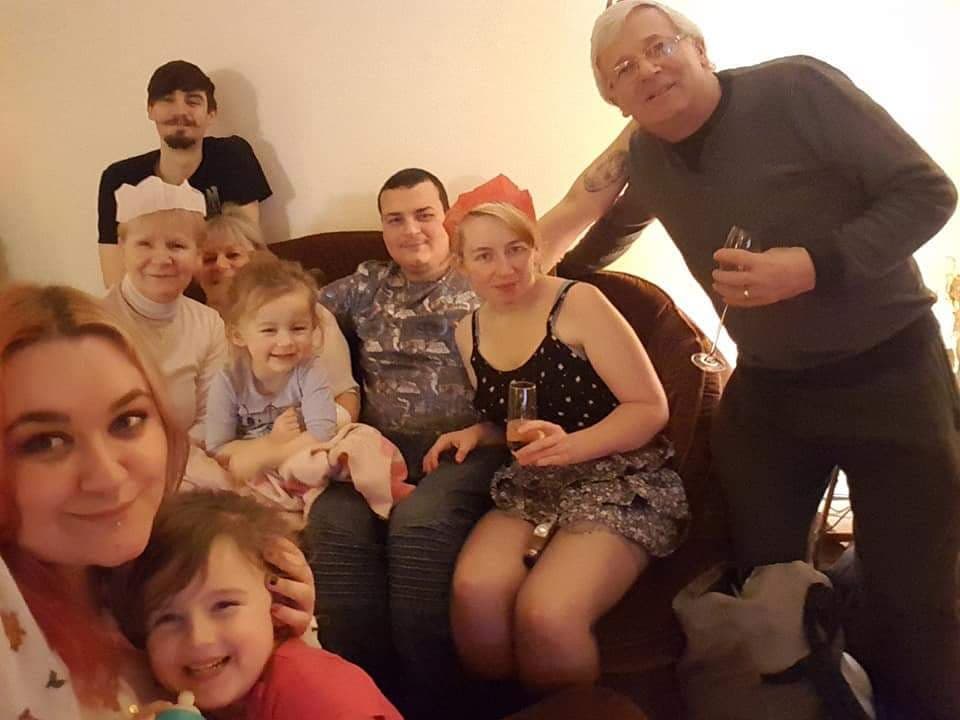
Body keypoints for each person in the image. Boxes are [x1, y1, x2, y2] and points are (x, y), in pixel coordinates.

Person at [545, 3, 960, 717]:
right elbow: (608, 234)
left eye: (659, 47)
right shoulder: (646, 157)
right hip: (772, 388)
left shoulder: (797, 88)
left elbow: (930, 192)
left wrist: (814, 265)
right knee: (763, 583)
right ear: (612, 98)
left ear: (699, 49)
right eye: (622, 68)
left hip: (890, 368)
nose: (647, 69)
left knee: (915, 593)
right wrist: (542, 289)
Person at [0, 284, 316, 719]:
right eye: (46, 442)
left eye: (127, 420)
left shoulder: (182, 554)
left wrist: (273, 658)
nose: (108, 477)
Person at [423, 183, 688, 689]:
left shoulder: (578, 302)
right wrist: (479, 432)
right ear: (461, 265)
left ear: (535, 249)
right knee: (475, 594)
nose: (505, 268)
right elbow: (516, 423)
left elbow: (649, 408)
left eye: (515, 249)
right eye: (484, 255)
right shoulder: (467, 331)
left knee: (546, 613)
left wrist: (573, 446)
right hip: (537, 480)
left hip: (620, 476)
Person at [306, 168, 507, 718]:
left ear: (448, 220)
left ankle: (431, 702)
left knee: (418, 525)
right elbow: (292, 307)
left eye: (423, 215)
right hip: (378, 450)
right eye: (395, 219)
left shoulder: (482, 280)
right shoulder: (365, 286)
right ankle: (362, 700)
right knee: (332, 523)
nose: (410, 229)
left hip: (466, 449)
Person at [112, 490, 402, 720]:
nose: (199, 638)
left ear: (280, 602)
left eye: (224, 605)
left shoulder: (314, 691)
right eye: (167, 619)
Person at [101, 176, 229, 491]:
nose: (161, 259)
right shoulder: (96, 322)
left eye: (177, 245)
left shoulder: (208, 323)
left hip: (189, 459)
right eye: (144, 244)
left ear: (198, 254)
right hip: (116, 468)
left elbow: (212, 416)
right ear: (122, 248)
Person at [98, 60, 272, 287]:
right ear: (150, 110)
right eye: (167, 99)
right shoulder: (121, 179)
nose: (180, 111)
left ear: (211, 114)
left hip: (226, 297)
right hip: (153, 303)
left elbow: (243, 256)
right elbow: (114, 282)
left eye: (193, 101)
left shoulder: (232, 157)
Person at [198, 205, 361, 423]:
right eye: (208, 258)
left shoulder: (308, 316)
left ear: (259, 258)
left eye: (233, 254)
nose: (221, 265)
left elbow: (344, 396)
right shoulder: (193, 326)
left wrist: (310, 438)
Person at [205, 257, 338, 496]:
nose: (285, 342)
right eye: (269, 330)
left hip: (298, 461)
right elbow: (218, 449)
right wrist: (270, 443)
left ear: (313, 328)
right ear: (238, 335)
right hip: (253, 470)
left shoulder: (310, 370)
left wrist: (271, 454)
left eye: (298, 328)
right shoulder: (228, 381)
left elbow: (323, 432)